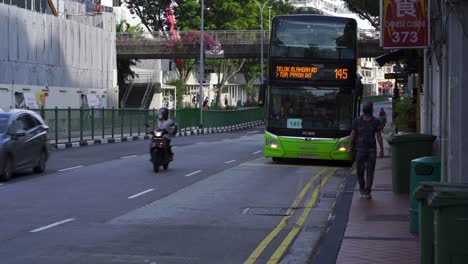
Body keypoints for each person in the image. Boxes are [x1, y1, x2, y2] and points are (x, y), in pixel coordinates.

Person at [349, 101, 384, 199]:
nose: (366, 108)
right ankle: (362, 186)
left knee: (370, 170)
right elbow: (353, 134)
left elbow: (379, 136)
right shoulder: (357, 120)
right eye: (364, 106)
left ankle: (367, 190)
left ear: (371, 108)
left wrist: (381, 149)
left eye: (367, 106)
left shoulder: (376, 121)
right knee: (359, 171)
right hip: (359, 150)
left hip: (371, 150)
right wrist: (350, 147)